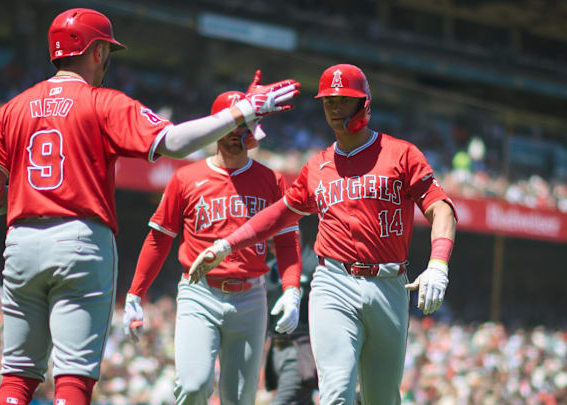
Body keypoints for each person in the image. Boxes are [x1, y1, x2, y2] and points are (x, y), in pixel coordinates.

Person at [0, 8, 300, 405]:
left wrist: (22, 204)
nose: (107, 58)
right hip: (79, 239)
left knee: (17, 377)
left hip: (20, 241)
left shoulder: (13, 108)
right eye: (106, 49)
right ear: (96, 51)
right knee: (72, 377)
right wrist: (241, 112)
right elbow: (174, 143)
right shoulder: (102, 102)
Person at [188, 64, 457, 405]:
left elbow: (441, 208)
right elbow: (280, 213)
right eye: (329, 101)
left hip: (390, 284)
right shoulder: (318, 165)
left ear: (365, 104)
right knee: (337, 394)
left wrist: (438, 264)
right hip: (333, 283)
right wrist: (227, 244)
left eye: (344, 100)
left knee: (382, 398)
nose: (334, 108)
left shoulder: (401, 153)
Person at [122, 90, 303, 405]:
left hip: (251, 295)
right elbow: (159, 238)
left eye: (242, 126)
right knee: (193, 386)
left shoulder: (272, 180)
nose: (235, 134)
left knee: (240, 398)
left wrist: (291, 290)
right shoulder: (186, 178)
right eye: (229, 126)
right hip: (199, 291)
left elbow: (286, 240)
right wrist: (135, 294)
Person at [263, 241, 318, 405]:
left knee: (283, 401)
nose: (274, 246)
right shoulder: (268, 270)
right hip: (275, 350)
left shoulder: (312, 263)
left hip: (300, 348)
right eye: (271, 242)